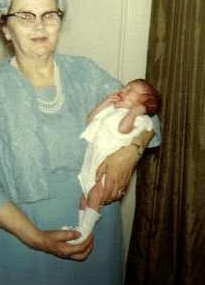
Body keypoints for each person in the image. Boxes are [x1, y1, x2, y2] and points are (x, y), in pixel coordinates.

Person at [0, 0, 161, 285]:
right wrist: (36, 238)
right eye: (25, 16)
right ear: (6, 28)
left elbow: (150, 115)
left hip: (95, 232)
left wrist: (130, 151)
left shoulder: (86, 73)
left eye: (49, 15)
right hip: (21, 242)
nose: (39, 25)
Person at [64, 79, 161, 245]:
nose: (124, 89)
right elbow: (90, 120)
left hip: (109, 164)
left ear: (142, 104)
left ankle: (84, 231)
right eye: (125, 86)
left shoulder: (140, 119)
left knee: (95, 194)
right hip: (94, 159)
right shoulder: (112, 110)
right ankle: (79, 228)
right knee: (84, 198)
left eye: (130, 90)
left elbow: (123, 129)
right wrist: (105, 103)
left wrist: (134, 112)